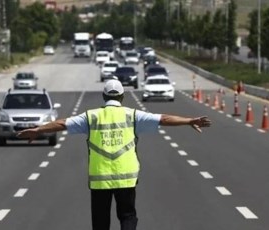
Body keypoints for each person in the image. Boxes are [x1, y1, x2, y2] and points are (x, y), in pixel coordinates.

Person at [17, 79, 211, 230]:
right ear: (122, 96)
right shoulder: (133, 115)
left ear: (103, 96)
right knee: (127, 216)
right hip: (126, 178)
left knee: (101, 221)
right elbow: (164, 119)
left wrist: (38, 130)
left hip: (100, 179)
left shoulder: (91, 117)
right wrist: (188, 121)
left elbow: (62, 123)